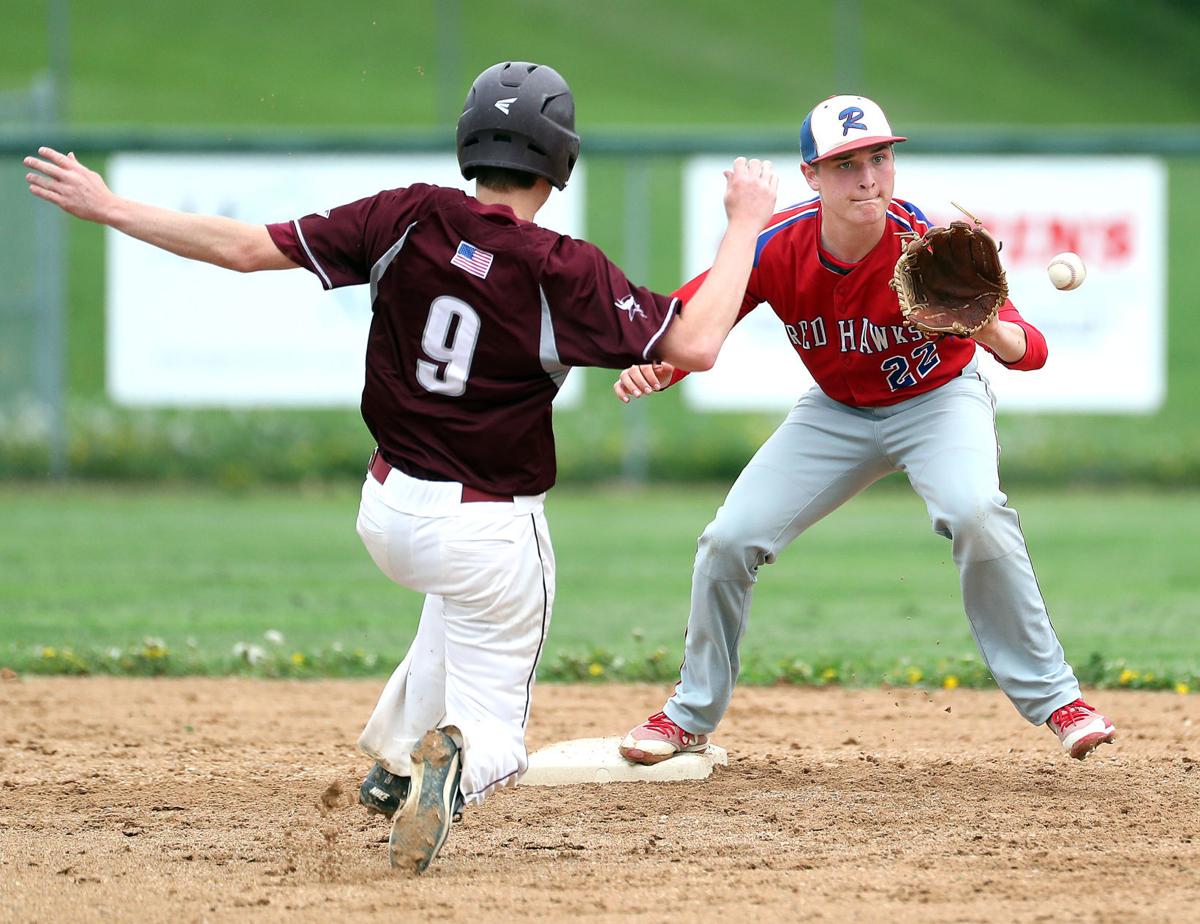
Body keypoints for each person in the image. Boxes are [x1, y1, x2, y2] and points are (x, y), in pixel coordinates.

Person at [24, 61, 778, 873]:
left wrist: (106, 206)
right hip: (489, 527)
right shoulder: (559, 268)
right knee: (497, 733)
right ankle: (451, 774)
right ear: (560, 161)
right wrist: (746, 223)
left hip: (387, 512)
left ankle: (390, 764)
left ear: (468, 141)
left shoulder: (408, 216)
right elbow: (696, 342)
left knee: (454, 603)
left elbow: (243, 249)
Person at [614, 94, 1116, 767]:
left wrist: (986, 325)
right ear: (811, 177)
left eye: (879, 158)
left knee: (975, 511)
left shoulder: (930, 241)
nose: (869, 178)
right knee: (729, 539)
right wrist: (658, 369)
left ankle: (1060, 701)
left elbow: (1033, 350)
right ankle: (689, 714)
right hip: (835, 413)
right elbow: (699, 317)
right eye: (846, 164)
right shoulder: (779, 244)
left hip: (939, 401)